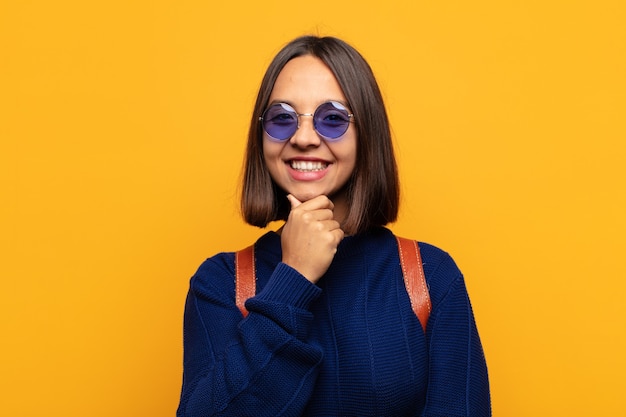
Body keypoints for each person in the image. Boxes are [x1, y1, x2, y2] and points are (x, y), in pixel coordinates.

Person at [176, 35, 491, 416]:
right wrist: (293, 278)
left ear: (366, 133)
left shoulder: (430, 278)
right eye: (281, 118)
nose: (304, 138)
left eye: (332, 119)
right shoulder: (220, 284)